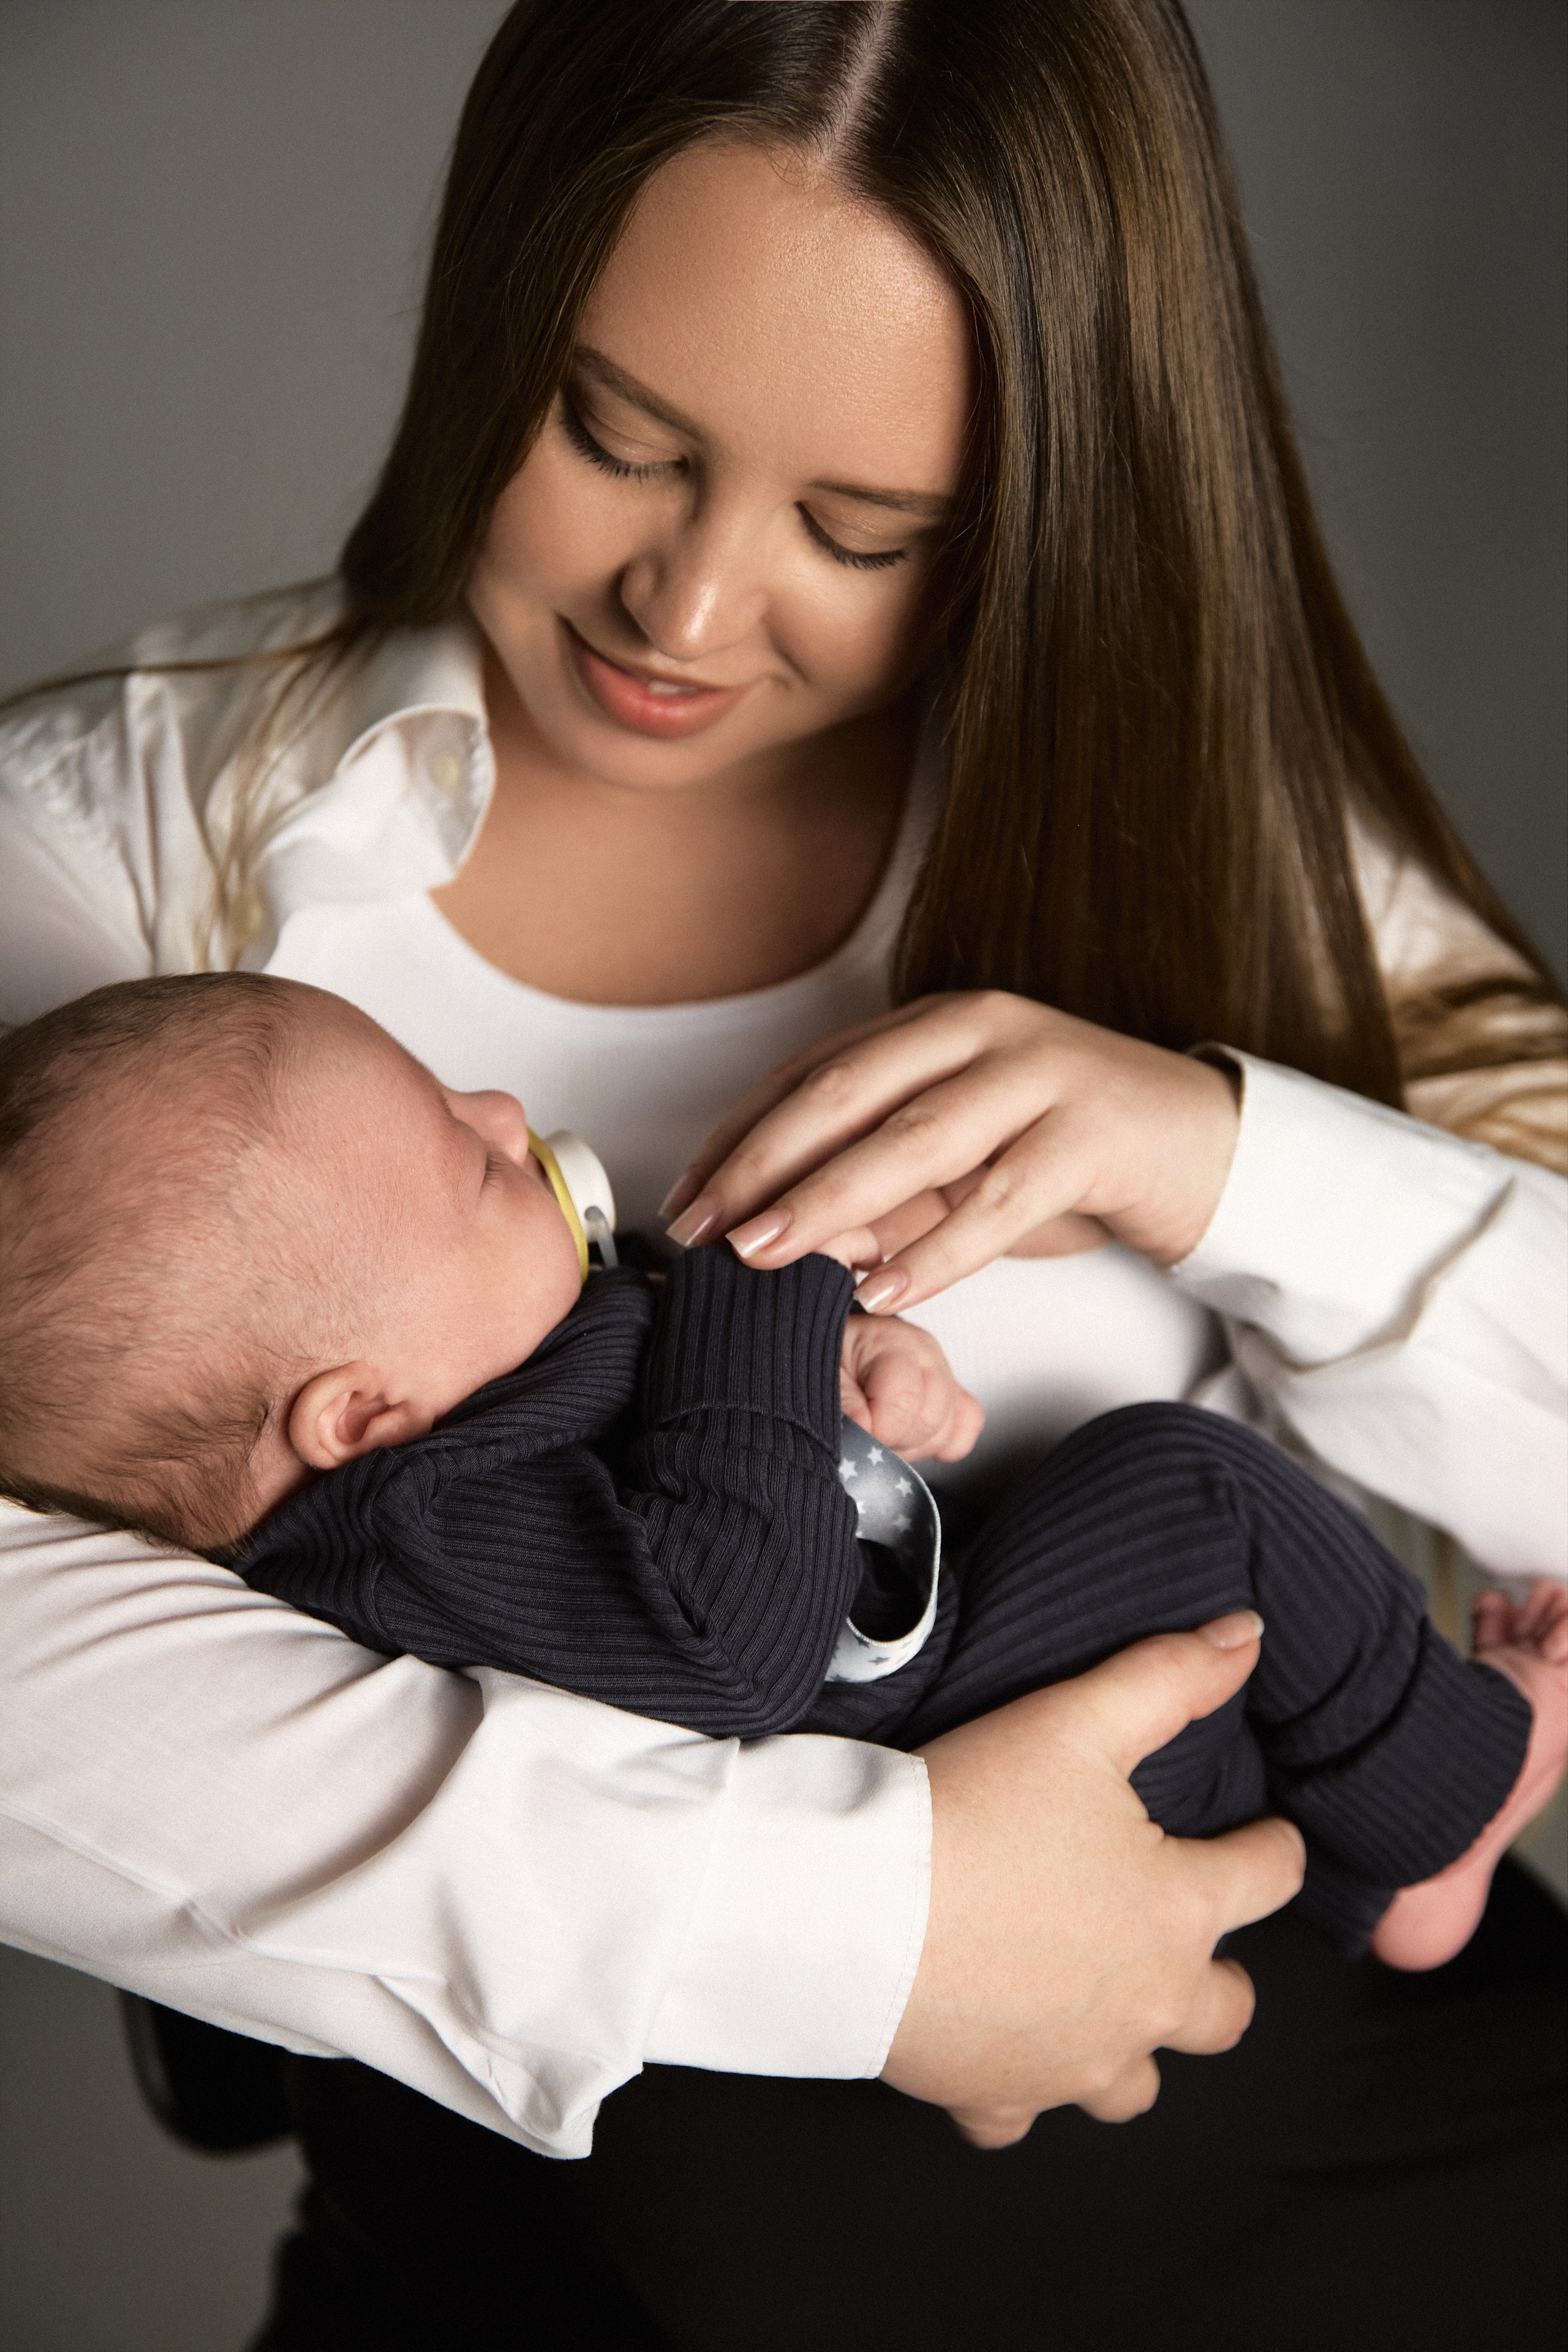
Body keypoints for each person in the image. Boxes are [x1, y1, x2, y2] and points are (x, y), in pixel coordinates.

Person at [0, 4, 1560, 2346]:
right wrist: (875, 1929)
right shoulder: (116, 848)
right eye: (617, 439)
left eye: (867, 531)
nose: (693, 614)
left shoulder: (1186, 829)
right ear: (488, 313)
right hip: (602, 2259)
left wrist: (1215, 1153)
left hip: (1367, 2152)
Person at [4, 970, 1564, 1979]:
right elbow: (725, 1635)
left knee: (1215, 1627)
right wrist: (777, 1276)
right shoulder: (418, 1528)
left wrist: (853, 1379)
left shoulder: (473, 1386)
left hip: (968, 1674)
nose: (500, 1115)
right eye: (464, 1162)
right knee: (1189, 1491)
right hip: (963, 1742)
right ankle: (1450, 1797)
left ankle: (1379, 1864)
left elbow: (716, 1461)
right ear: (358, 1416)